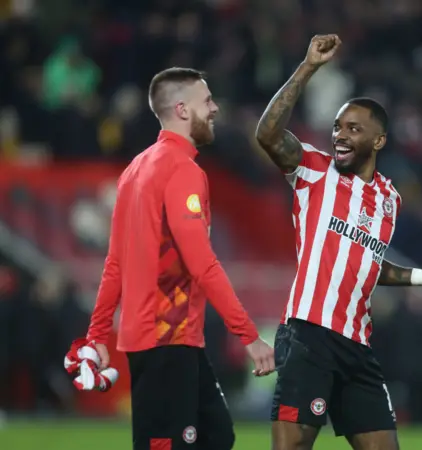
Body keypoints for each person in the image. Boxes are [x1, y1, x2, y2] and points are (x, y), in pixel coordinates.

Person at [255, 35, 422, 450]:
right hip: (308, 336)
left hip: (357, 345)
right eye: (337, 126)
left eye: (354, 128)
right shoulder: (314, 169)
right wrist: (308, 68)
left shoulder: (390, 199)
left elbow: (370, 266)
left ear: (379, 141)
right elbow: (267, 134)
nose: (340, 135)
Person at [85, 67, 275, 450]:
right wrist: (248, 335)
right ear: (182, 109)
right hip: (165, 339)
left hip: (164, 339)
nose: (215, 108)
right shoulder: (183, 171)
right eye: (207, 101)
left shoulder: (135, 169)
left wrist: (97, 335)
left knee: (217, 434)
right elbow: (202, 262)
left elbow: (114, 264)